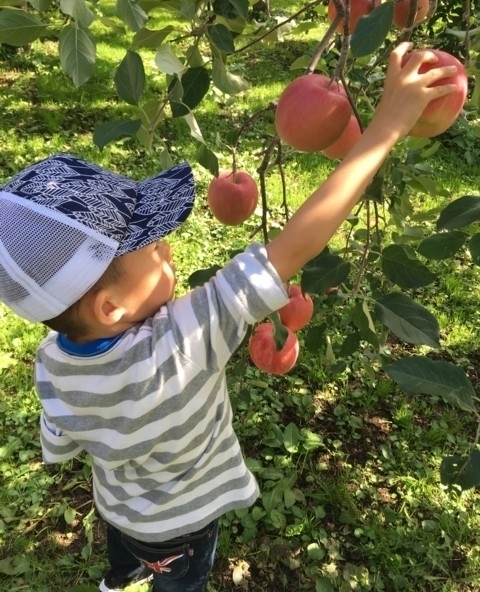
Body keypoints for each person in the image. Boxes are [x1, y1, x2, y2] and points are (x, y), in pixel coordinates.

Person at [0, 42, 458, 592]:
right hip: (183, 527)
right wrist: (386, 127)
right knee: (179, 579)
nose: (168, 249)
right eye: (153, 247)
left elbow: (59, 442)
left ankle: (120, 577)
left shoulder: (52, 364)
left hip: (119, 509)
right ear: (110, 307)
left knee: (129, 548)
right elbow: (295, 246)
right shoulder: (185, 340)